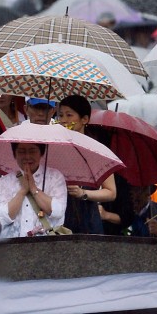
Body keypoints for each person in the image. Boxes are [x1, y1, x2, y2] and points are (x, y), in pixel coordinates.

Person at [57, 95, 117, 234]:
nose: (63, 120)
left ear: (84, 119)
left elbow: (111, 192)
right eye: (60, 115)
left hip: (88, 217)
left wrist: (83, 193)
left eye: (69, 115)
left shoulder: (97, 150)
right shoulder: (55, 149)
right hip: (59, 216)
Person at [0, 143, 67, 238]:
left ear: (41, 152)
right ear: (14, 154)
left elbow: (58, 212)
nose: (27, 156)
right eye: (21, 152)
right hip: (13, 246)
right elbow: (1, 217)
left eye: (32, 151)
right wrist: (23, 191)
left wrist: (33, 189)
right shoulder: (5, 180)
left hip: (47, 245)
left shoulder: (55, 177)